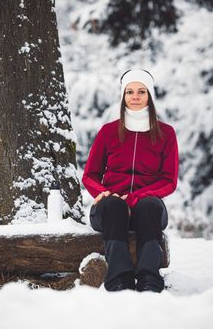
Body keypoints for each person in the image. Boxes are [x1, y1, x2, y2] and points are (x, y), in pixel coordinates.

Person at [82, 69, 178, 292]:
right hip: (109, 209)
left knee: (148, 205)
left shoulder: (165, 133)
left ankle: (149, 279)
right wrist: (103, 193)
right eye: (130, 92)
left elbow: (169, 180)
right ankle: (119, 279)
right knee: (114, 205)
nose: (135, 97)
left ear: (150, 96)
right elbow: (90, 175)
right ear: (123, 96)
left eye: (141, 91)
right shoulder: (108, 132)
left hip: (148, 209)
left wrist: (135, 198)